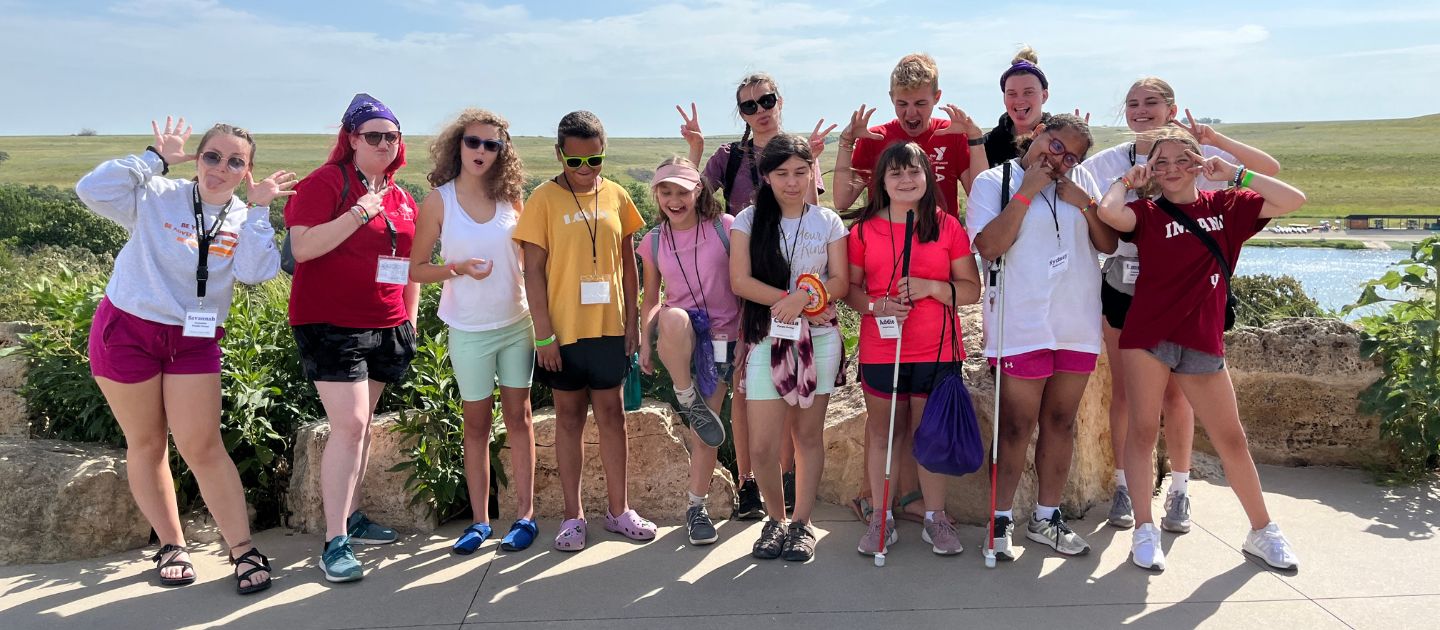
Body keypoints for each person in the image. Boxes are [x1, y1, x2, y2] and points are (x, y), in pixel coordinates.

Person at [77, 116, 290, 594]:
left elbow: (258, 273)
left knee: (203, 446)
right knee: (147, 443)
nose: (221, 167)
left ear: (247, 171)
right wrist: (153, 159)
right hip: (128, 328)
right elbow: (91, 190)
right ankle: (172, 543)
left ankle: (242, 548)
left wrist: (259, 213)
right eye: (212, 156)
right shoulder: (157, 194)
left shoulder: (241, 216)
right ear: (197, 159)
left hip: (192, 340)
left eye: (235, 161)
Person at [1096, 127, 1305, 571]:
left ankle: (1262, 531)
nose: (1171, 169)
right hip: (1148, 338)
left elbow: (1293, 199)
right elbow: (1108, 212)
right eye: (1161, 162)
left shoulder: (1226, 206)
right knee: (1142, 431)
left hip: (1201, 339)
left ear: (1197, 163)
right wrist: (1127, 180)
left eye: (1180, 160)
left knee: (1231, 438)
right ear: (1152, 169)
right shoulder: (1146, 213)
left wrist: (1235, 172)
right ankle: (1144, 530)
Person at [1081, 77, 1282, 533]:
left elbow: (1271, 170)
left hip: (1189, 291)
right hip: (1125, 283)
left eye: (1152, 103)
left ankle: (1178, 487)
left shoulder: (1192, 154)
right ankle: (1124, 488)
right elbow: (1089, 197)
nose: (1141, 111)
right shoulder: (1115, 159)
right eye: (1132, 104)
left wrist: (1213, 141)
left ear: (1171, 109)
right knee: (1129, 399)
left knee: (1180, 396)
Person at [676, 72, 831, 519]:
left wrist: (815, 160)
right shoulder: (730, 157)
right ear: (741, 113)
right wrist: (695, 153)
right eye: (748, 106)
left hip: (795, 290)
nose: (760, 111)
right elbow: (694, 204)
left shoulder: (800, 152)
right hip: (742, 283)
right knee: (748, 385)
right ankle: (748, 482)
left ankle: (784, 478)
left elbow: (814, 225)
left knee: (783, 382)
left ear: (779, 101)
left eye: (765, 101)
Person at [967, 113, 1117, 561]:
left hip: (1075, 321)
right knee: (1015, 425)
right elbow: (989, 246)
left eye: (1071, 156)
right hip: (1020, 323)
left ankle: (1046, 518)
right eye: (1056, 147)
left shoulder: (1081, 180)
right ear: (1037, 135)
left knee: (1061, 422)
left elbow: (1107, 243)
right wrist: (1028, 193)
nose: (1061, 160)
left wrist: (1086, 202)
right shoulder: (994, 182)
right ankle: (1000, 520)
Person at [287, 93, 420, 582]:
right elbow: (303, 248)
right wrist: (360, 213)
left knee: (363, 427)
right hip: (330, 323)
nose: (384, 143)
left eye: (391, 135)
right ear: (351, 139)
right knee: (350, 425)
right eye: (373, 136)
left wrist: (410, 317)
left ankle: (355, 517)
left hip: (386, 324)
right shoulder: (324, 184)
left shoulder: (403, 196)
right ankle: (334, 541)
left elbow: (407, 262)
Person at [515, 111, 653, 552]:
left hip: (609, 326)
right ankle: (573, 517)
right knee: (569, 419)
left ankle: (619, 511)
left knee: (614, 416)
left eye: (594, 160)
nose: (585, 171)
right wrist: (543, 335)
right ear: (558, 155)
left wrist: (633, 322)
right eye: (574, 162)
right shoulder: (542, 200)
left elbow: (630, 265)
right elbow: (532, 271)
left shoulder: (616, 195)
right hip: (563, 332)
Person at [408, 108, 539, 554]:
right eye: (473, 142)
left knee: (520, 421)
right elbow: (417, 269)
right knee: (476, 426)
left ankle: (525, 516)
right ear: (457, 145)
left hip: (517, 323)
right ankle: (480, 522)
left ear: (503, 153)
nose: (481, 151)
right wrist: (456, 269)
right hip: (468, 329)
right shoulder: (438, 201)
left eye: (492, 145)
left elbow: (528, 260)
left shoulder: (512, 197)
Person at [841, 142, 981, 557]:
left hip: (937, 348)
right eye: (896, 173)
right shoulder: (864, 230)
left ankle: (935, 517)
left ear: (928, 177)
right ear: (882, 182)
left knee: (928, 434)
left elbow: (971, 290)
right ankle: (881, 517)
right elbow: (850, 289)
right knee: (885, 433)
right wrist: (875, 305)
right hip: (883, 348)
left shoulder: (947, 226)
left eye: (914, 172)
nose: (906, 180)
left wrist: (932, 288)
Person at [730, 134, 849, 562]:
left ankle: (801, 523)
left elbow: (840, 281)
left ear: (812, 173)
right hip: (769, 336)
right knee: (762, 445)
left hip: (818, 336)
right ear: (766, 176)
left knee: (806, 437)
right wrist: (788, 303)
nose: (793, 182)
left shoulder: (829, 222)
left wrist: (803, 299)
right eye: (782, 173)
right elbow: (739, 281)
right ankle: (774, 520)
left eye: (801, 172)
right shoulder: (747, 220)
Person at [637, 157, 740, 546]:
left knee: (706, 432)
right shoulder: (654, 240)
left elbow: (742, 288)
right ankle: (685, 393)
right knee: (675, 315)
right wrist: (645, 339)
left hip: (724, 338)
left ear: (699, 191)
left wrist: (745, 338)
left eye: (682, 190)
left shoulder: (726, 228)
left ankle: (696, 509)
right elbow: (651, 299)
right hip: (680, 339)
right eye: (666, 191)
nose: (674, 199)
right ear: (657, 194)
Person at [832, 53, 989, 215]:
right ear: (892, 98)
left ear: (937, 97)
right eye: (902, 104)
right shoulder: (875, 138)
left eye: (920, 103)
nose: (911, 113)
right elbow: (842, 201)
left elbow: (982, 195)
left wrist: (975, 137)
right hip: (888, 237)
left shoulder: (952, 135)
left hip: (941, 236)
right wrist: (846, 142)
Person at [981, 46, 1053, 168]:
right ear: (1004, 98)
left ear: (1044, 96)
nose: (1019, 101)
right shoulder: (988, 144)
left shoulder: (1059, 140)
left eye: (1028, 92)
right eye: (1012, 93)